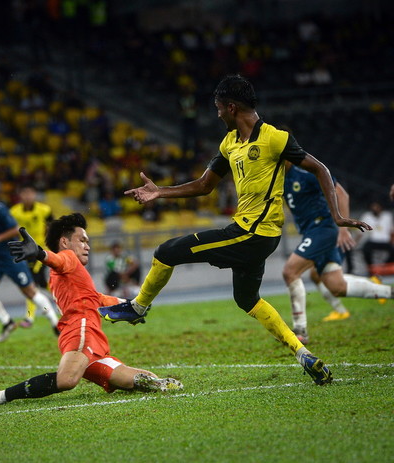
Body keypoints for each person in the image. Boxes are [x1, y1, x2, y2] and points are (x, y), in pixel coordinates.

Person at [99, 74, 371, 386]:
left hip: (251, 234)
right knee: (246, 299)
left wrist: (337, 216)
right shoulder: (230, 143)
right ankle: (302, 352)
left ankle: (137, 307)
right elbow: (204, 186)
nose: (216, 114)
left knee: (165, 252)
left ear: (231, 108)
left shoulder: (275, 138)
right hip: (256, 236)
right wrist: (160, 191)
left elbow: (320, 168)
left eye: (218, 109)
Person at [0, 213, 182, 407]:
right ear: (65, 242)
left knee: (133, 379)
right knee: (67, 380)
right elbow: (57, 260)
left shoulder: (72, 272)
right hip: (82, 330)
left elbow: (96, 298)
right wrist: (41, 254)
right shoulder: (68, 259)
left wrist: (129, 305)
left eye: (88, 241)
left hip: (85, 333)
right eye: (82, 240)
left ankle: (155, 381)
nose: (88, 246)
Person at [282, 161, 392, 344]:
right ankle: (389, 292)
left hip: (322, 229)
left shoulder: (307, 172)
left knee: (290, 271)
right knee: (336, 286)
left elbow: (341, 193)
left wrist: (343, 228)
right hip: (311, 231)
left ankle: (300, 330)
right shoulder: (280, 177)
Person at [0, 177, 59, 342]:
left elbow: (14, 229)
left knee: (31, 291)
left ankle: (54, 322)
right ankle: (7, 322)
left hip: (12, 256)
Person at [9, 184, 59, 334]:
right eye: (24, 193)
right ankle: (65, 301)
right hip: (24, 252)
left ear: (34, 194)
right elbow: (9, 229)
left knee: (31, 284)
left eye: (30, 193)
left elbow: (53, 226)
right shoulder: (14, 212)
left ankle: (29, 318)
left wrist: (52, 242)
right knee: (42, 284)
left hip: (39, 251)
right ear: (20, 196)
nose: (27, 196)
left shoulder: (44, 210)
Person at [357, 200, 394, 276]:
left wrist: (392, 241)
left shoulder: (387, 216)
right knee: (365, 249)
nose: (375, 208)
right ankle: (371, 268)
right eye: (373, 206)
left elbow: (391, 231)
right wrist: (355, 242)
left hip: (385, 241)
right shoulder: (367, 216)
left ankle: (384, 268)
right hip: (373, 240)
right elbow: (360, 232)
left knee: (392, 251)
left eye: (377, 206)